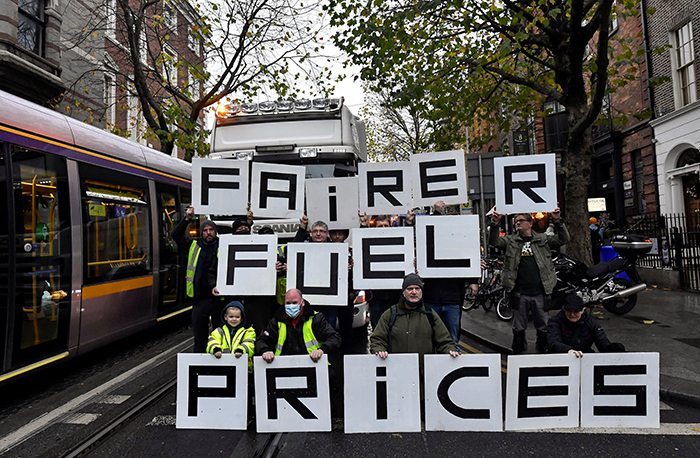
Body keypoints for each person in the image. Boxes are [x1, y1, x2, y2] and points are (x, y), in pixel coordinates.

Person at [489, 208, 570, 354]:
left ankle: (543, 348)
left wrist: (557, 220)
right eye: (516, 221)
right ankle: (519, 351)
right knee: (518, 326)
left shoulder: (542, 239)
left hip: (541, 292)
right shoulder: (510, 241)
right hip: (519, 292)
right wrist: (495, 223)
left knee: (543, 325)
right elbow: (494, 241)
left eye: (521, 221)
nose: (517, 223)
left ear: (530, 223)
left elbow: (563, 239)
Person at [421, 200, 478, 350]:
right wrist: (437, 213)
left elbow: (468, 259)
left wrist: (473, 280)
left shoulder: (458, 248)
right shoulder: (431, 247)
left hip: (452, 300)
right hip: (432, 299)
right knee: (432, 339)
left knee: (453, 341)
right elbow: (430, 231)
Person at [370, 273, 459, 360]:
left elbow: (445, 341)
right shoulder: (390, 314)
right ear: (403, 292)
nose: (414, 292)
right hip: (397, 370)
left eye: (417, 288)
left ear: (422, 291)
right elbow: (378, 339)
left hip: (423, 372)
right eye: (410, 289)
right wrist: (379, 350)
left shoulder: (430, 314)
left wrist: (450, 351)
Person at [172, 205, 222, 353]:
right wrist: (187, 218)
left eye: (211, 230)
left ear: (215, 231)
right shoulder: (194, 245)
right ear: (201, 232)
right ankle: (200, 365)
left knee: (220, 336)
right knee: (200, 337)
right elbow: (176, 235)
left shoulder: (224, 246)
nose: (208, 233)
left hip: (219, 298)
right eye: (205, 230)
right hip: (200, 299)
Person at [257, 288, 341, 363]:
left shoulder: (315, 319)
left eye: (295, 303)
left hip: (312, 364)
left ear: (302, 303)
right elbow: (261, 340)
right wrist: (265, 351)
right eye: (288, 303)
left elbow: (335, 338)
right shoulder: (277, 321)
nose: (291, 306)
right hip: (284, 365)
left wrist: (321, 350)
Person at [547, 294, 625, 357]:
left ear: (583, 310)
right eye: (569, 311)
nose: (572, 314)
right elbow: (554, 342)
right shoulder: (555, 322)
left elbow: (602, 343)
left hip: (583, 357)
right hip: (561, 357)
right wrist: (568, 350)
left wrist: (613, 348)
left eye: (576, 311)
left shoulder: (591, 323)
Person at [206, 301, 256, 368]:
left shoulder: (248, 331)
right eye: (231, 317)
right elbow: (212, 341)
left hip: (243, 367)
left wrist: (241, 350)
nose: (234, 319)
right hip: (223, 366)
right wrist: (216, 349)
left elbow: (250, 344)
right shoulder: (219, 331)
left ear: (242, 318)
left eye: (237, 317)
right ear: (225, 317)